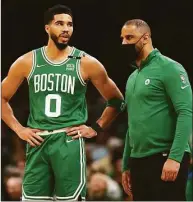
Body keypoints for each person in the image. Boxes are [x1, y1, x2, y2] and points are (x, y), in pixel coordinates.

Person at [1, 4, 125, 201]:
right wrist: (18, 129)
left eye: (70, 24)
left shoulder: (86, 62)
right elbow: (2, 97)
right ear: (47, 28)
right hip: (37, 141)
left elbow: (117, 101)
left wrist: (95, 128)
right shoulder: (27, 61)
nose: (66, 28)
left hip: (68, 141)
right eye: (59, 23)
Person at [121, 19, 192, 201]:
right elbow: (133, 122)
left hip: (165, 156)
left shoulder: (170, 68)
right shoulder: (132, 78)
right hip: (139, 161)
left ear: (145, 38)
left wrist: (175, 158)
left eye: (130, 38)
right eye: (122, 38)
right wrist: (126, 165)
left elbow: (186, 113)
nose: (124, 43)